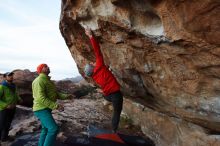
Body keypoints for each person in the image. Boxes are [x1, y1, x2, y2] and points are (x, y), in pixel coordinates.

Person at [84, 29, 123, 133]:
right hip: (115, 95)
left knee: (104, 93)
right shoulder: (100, 66)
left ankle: (104, 95)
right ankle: (114, 130)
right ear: (93, 68)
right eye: (92, 64)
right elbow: (97, 50)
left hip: (107, 95)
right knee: (117, 112)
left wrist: (108, 70)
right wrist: (91, 36)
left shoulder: (95, 76)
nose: (93, 62)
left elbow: (105, 78)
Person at [32, 64, 74, 146]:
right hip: (41, 109)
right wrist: (56, 106)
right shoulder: (39, 81)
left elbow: (56, 94)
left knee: (45, 129)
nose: (48, 67)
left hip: (45, 108)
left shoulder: (48, 81)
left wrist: (67, 96)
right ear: (40, 70)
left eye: (47, 66)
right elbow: (40, 98)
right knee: (53, 129)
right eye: (45, 66)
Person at [0, 72, 22, 142]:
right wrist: (6, 105)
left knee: (8, 123)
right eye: (9, 76)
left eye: (12, 75)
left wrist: (19, 99)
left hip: (12, 108)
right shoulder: (2, 86)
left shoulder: (13, 86)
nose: (11, 77)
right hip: (4, 109)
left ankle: (4, 137)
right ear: (5, 77)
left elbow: (15, 94)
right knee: (1, 124)